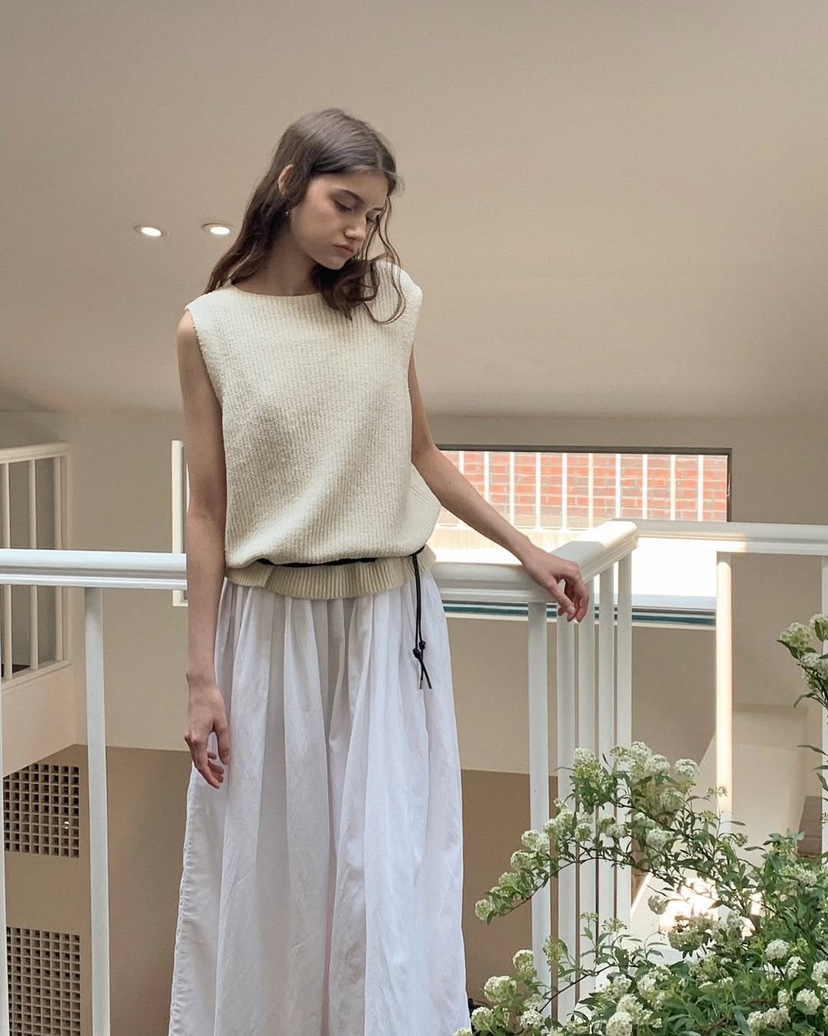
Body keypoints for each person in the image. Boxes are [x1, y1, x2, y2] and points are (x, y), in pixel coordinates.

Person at [167, 107, 589, 1036]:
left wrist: (526, 549)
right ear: (289, 186)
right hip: (270, 624)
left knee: (388, 866)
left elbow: (421, 451)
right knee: (275, 868)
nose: (359, 230)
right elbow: (206, 508)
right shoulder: (211, 329)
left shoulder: (388, 299)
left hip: (391, 621)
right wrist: (201, 676)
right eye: (344, 204)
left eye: (373, 213)